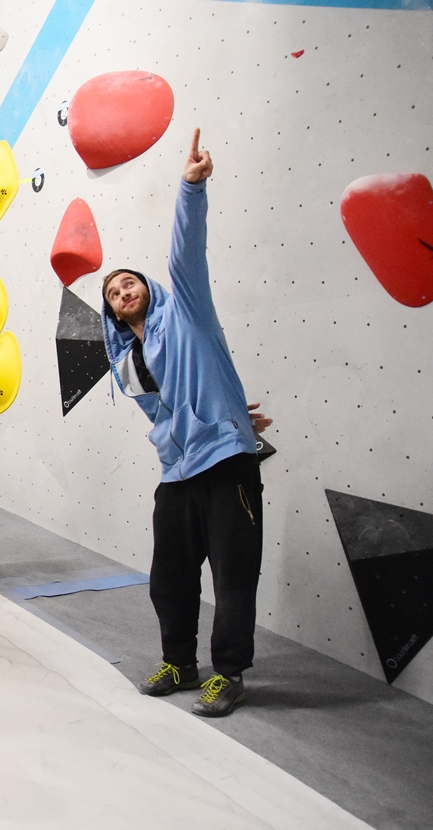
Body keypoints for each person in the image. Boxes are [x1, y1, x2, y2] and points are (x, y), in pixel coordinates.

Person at [102, 129, 272, 717]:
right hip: (177, 471)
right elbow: (168, 407)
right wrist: (224, 404)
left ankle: (228, 674)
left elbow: (184, 254)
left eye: (130, 281)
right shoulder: (127, 360)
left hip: (226, 463)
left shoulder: (188, 313)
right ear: (113, 314)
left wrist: (190, 188)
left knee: (233, 577)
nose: (124, 289)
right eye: (114, 292)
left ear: (148, 289)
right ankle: (180, 662)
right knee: (169, 578)